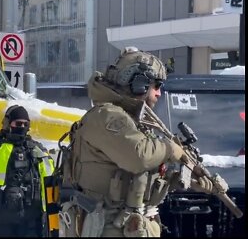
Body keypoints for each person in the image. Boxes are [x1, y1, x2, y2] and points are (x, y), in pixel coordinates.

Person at [63, 47, 215, 237]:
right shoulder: (107, 116)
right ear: (138, 83)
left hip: (129, 225)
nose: (159, 93)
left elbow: (140, 175)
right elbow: (139, 157)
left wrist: (183, 181)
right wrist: (170, 149)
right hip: (109, 227)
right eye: (156, 86)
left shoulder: (131, 120)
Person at [0, 105, 55, 237]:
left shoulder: (38, 151)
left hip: (32, 222)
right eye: (18, 123)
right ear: (7, 124)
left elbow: (51, 183)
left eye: (25, 124)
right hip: (0, 222)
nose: (21, 127)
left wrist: (50, 217)